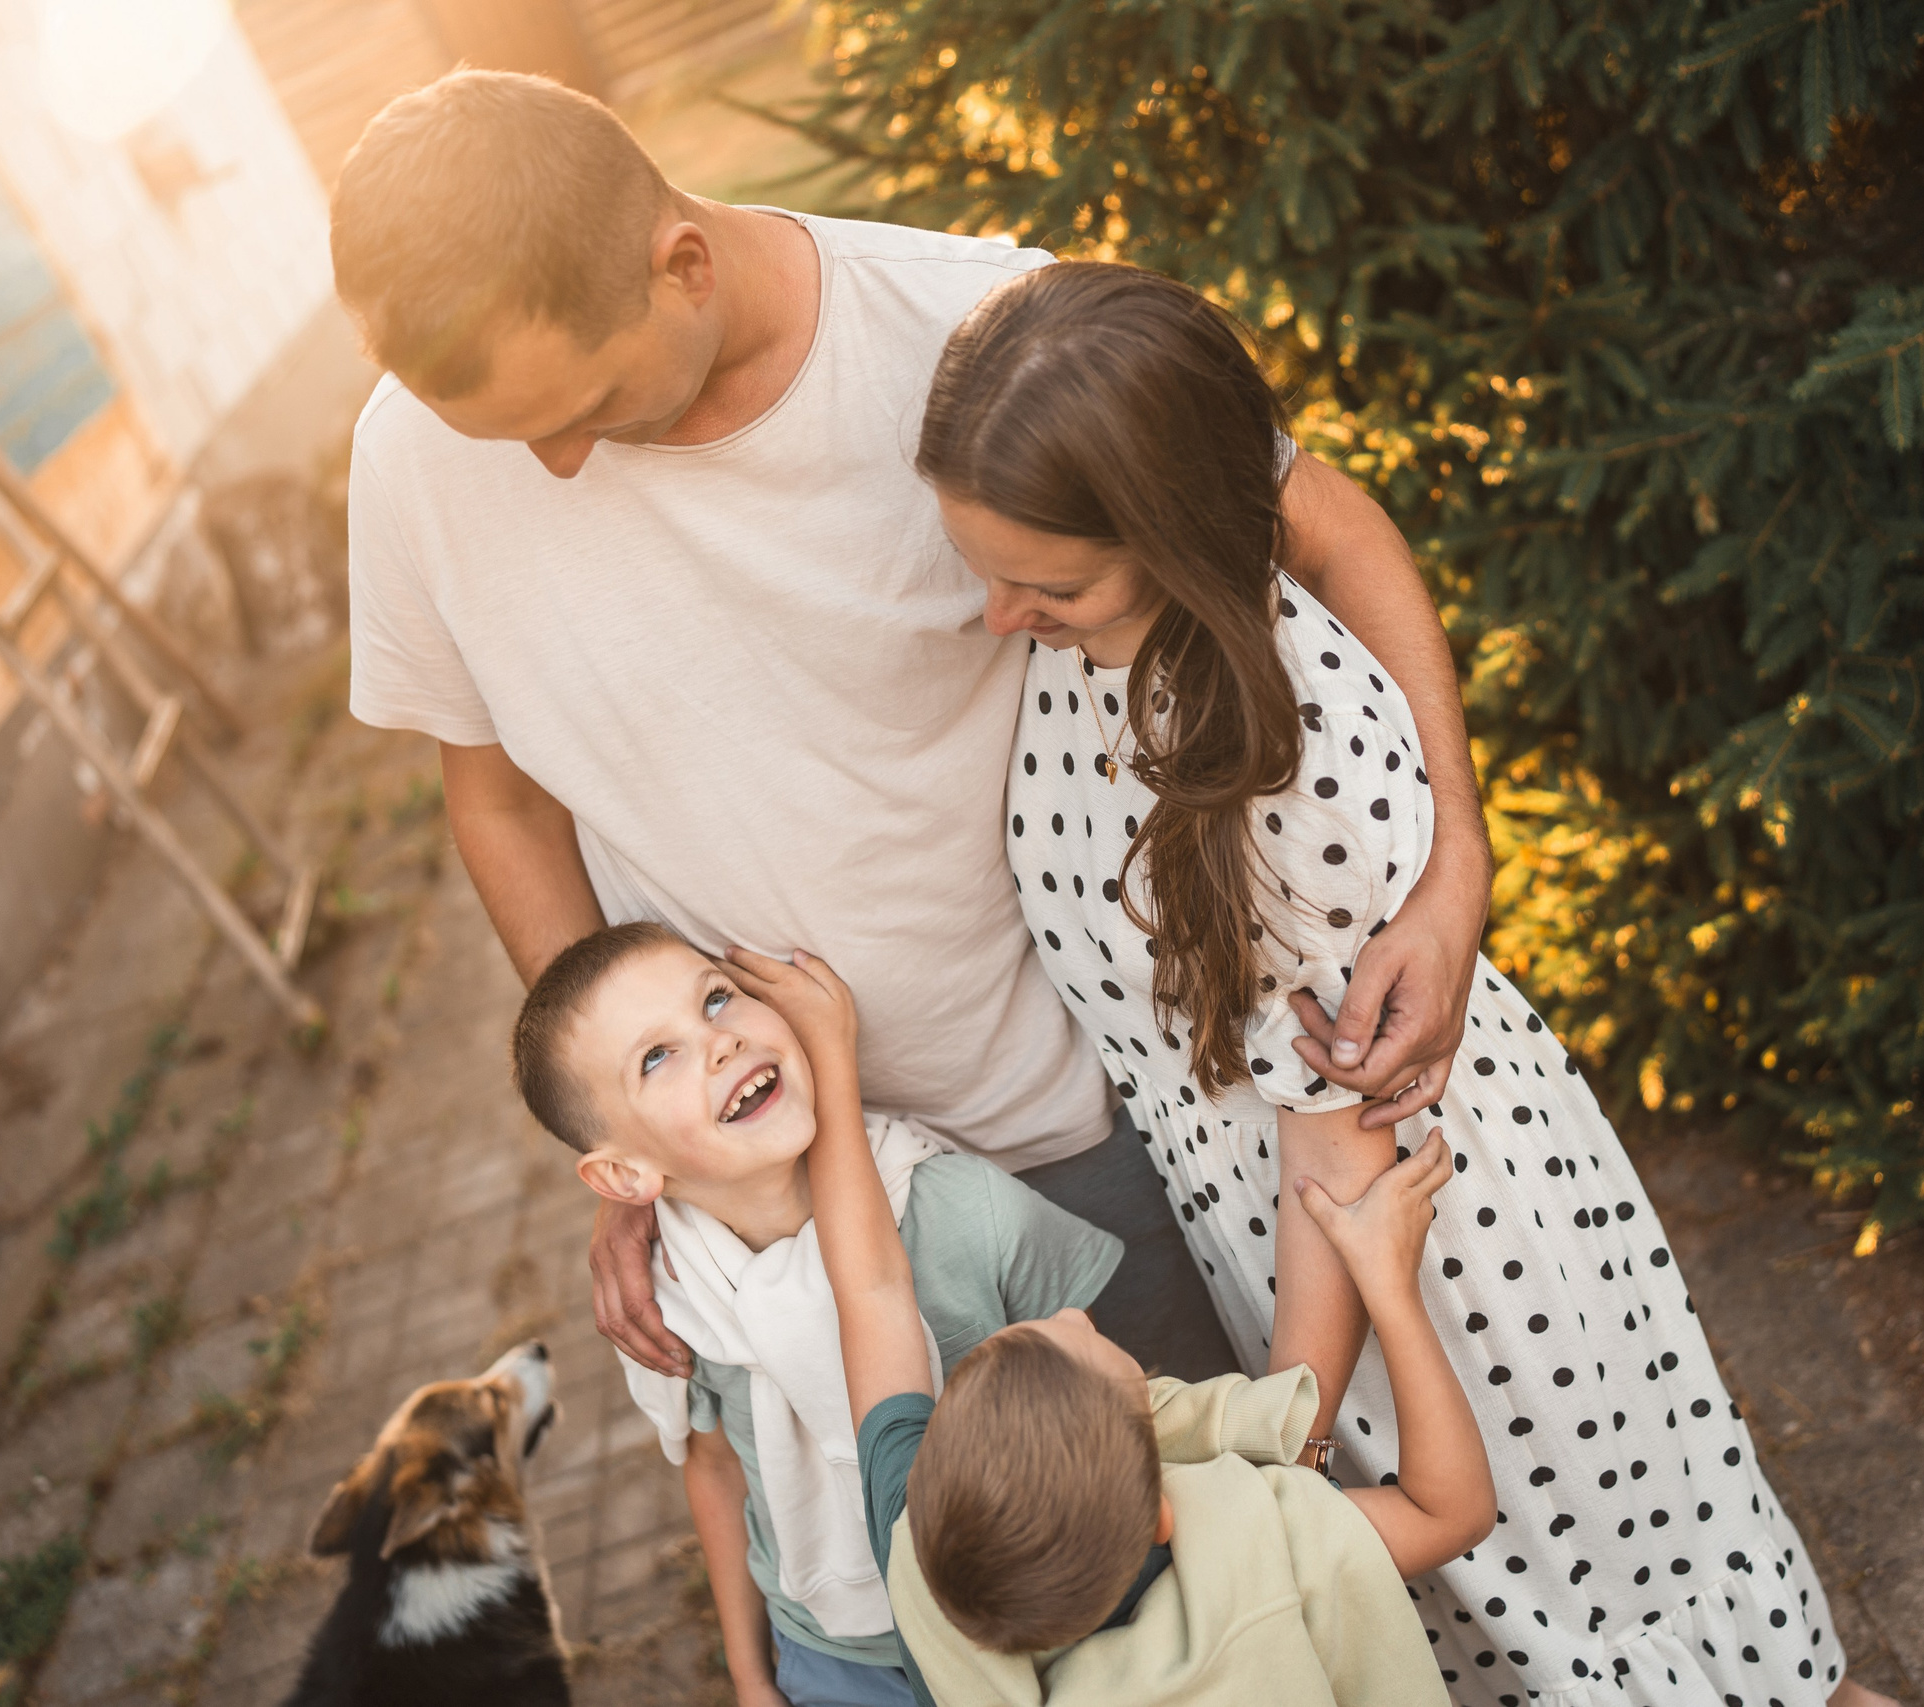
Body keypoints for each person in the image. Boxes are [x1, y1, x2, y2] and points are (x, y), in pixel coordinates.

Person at [328, 69, 1497, 1385]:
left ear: (684, 265)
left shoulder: (969, 333)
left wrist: (1454, 858)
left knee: (1201, 1551)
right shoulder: (417, 451)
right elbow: (500, 803)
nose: (546, 467)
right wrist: (633, 1144)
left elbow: (1323, 525)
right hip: (770, 1203)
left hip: (1068, 1144)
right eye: (507, 434)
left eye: (581, 409)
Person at [922, 261, 1898, 1707]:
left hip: (1408, 1255)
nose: (999, 615)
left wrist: (1291, 1435)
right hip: (1291, 1225)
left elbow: (1338, 1121)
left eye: (1046, 582)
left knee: (1585, 1607)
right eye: (982, 568)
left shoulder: (1279, 762)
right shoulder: (1109, 646)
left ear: (1179, 532)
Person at [734, 943, 1497, 1707]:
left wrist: (832, 1068)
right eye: (1105, 1352)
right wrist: (1389, 1286)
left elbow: (870, 1289)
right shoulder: (1270, 1551)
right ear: (1165, 1513)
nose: (1070, 1312)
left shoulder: (929, 1575)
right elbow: (1451, 1510)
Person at [508, 922, 1124, 1707]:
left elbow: (1109, 1394)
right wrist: (749, 1672)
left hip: (1042, 1610)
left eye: (717, 999)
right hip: (834, 1654)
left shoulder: (964, 1211)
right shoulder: (667, 1306)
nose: (720, 1042)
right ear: (625, 1174)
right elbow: (716, 1469)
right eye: (656, 1057)